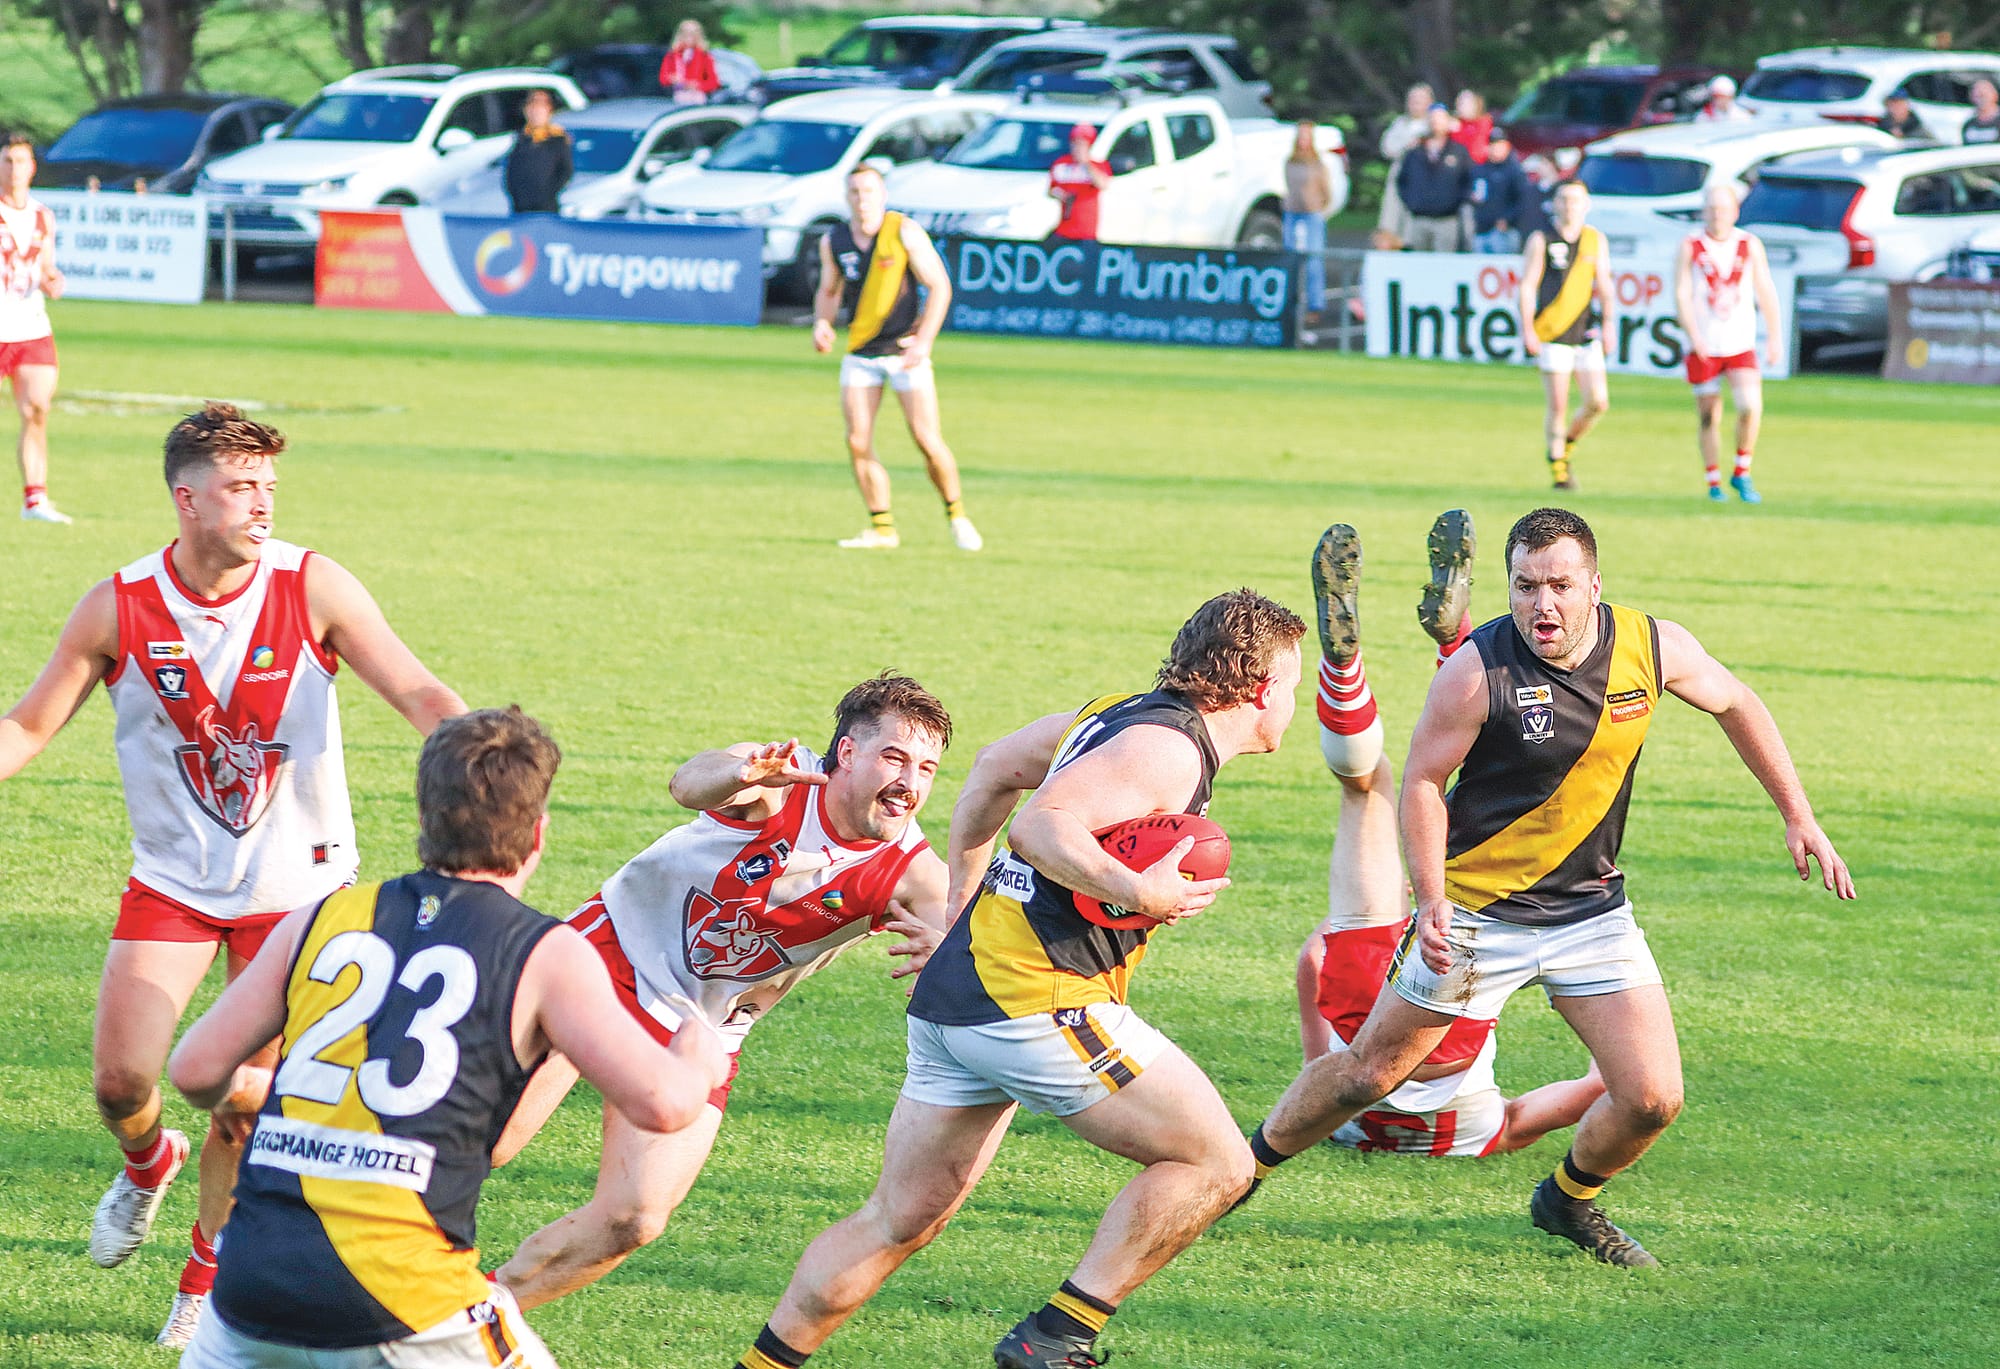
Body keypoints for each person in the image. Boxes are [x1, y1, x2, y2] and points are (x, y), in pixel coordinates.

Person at [1247, 506, 1855, 1267]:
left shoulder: (1651, 646)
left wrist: (1798, 814)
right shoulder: (1477, 670)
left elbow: (1737, 702)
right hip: (1477, 915)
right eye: (1525, 586)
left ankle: (1566, 1200)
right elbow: (1425, 782)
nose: (1543, 605)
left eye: (1560, 586)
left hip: (1591, 915)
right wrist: (1431, 899)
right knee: (1368, 1074)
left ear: (1594, 585)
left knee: (1652, 1099)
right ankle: (1242, 1168)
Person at [734, 590, 1304, 1369]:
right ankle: (1057, 1337)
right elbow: (1039, 823)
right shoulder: (1166, 751)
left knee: (899, 1219)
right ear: (1263, 688)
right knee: (1219, 1164)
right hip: (1035, 999)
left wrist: (957, 907)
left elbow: (994, 769)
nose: (1294, 702)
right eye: (1294, 684)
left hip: (960, 999)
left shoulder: (1111, 715)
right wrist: (1141, 892)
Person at [0, 402, 467, 1347]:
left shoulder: (312, 584)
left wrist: (481, 748)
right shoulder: (118, 605)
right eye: (242, 487)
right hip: (174, 882)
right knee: (120, 1081)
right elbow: (29, 724)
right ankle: (146, 1164)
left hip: (297, 895)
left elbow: (417, 688)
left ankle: (203, 1277)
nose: (263, 504)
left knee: (243, 1106)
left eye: (269, 487)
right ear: (187, 499)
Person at [168, 707, 731, 1369]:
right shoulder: (547, 951)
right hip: (402, 1303)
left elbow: (194, 1070)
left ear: (424, 817)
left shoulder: (321, 917)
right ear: (538, 833)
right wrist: (699, 1056)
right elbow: (663, 1105)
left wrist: (259, 1094)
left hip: (246, 1295)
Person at [490, 676, 956, 1309]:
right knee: (493, 1140)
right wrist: (742, 772)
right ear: (847, 752)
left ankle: (476, 1314)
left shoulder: (912, 873)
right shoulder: (780, 779)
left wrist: (946, 957)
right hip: (605, 959)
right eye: (894, 758)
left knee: (635, 1217)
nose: (909, 783)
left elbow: (970, 955)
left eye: (926, 769)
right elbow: (688, 783)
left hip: (700, 1030)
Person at [1302, 514, 1604, 1159]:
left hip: (1440, 1000)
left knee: (1432, 778)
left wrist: (1598, 1034)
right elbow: (1314, 966)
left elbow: (1592, 1088)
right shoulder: (1346, 1128)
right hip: (1373, 1008)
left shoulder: (1488, 1134)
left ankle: (1442, 651)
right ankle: (1347, 669)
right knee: (1366, 786)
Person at [813, 164, 981, 552]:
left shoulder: (903, 231)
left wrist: (924, 341)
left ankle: (957, 515)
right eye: (855, 192)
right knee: (857, 440)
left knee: (926, 438)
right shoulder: (834, 240)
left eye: (869, 191)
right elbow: (829, 289)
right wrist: (822, 322)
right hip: (861, 353)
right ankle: (882, 527)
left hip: (905, 353)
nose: (862, 199)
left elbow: (939, 286)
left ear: (883, 195)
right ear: (846, 197)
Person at [1674, 183, 1783, 504]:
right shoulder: (1691, 245)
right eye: (1711, 209)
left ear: (1734, 212)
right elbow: (1681, 292)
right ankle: (1713, 481)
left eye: (1722, 209)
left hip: (1739, 342)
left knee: (1750, 406)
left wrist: (1774, 335)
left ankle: (1742, 470)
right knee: (1710, 415)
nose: (1717, 215)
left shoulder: (1748, 244)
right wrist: (1693, 335)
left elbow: (1765, 289)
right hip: (1704, 343)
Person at [1519, 181, 1614, 491]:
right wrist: (1527, 328)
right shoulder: (1542, 239)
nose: (1570, 206)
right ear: (1555, 204)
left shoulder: (1594, 240)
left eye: (1576, 200)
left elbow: (1605, 285)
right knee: (1558, 405)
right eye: (1564, 199)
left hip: (1585, 331)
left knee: (1598, 401)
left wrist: (1609, 324)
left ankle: (1566, 444)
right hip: (1552, 331)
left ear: (1586, 205)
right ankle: (1559, 470)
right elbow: (1528, 285)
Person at [1, 133, 68, 524]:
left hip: (30, 329)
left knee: (37, 410)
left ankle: (35, 500)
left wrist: (51, 279)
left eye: (21, 161)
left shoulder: (43, 216)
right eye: (7, 161)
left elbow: (44, 267)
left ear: (33, 168)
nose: (14, 169)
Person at [1397, 104, 1473, 253]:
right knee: (1418, 259)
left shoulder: (1458, 152)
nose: (1436, 122)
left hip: (1447, 219)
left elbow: (1468, 181)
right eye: (1433, 118)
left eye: (1440, 118)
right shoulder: (1415, 153)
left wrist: (1455, 203)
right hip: (1419, 218)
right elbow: (1402, 181)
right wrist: (1412, 203)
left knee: (1444, 260)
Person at [1284, 120, 1335, 316]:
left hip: (1312, 213)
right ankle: (1290, 302)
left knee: (1314, 260)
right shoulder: (1290, 162)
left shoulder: (1318, 164)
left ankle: (1315, 305)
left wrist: (1318, 205)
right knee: (1290, 258)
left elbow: (1326, 191)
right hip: (1293, 212)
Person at [1376, 83, 1436, 247]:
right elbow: (1388, 148)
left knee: (1413, 227)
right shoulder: (1400, 123)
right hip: (1399, 178)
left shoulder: (1433, 124)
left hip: (1423, 182)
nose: (1415, 103)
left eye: (1420, 99)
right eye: (1412, 99)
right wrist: (1408, 144)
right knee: (1391, 220)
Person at [504, 89, 572, 215]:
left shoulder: (557, 139)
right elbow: (512, 170)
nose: (535, 111)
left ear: (549, 110)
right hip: (521, 208)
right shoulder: (521, 138)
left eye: (540, 106)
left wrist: (548, 194)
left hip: (546, 208)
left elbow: (565, 171)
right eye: (532, 106)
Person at [1469, 128, 1531, 255]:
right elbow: (1469, 191)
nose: (1495, 149)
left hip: (1505, 230)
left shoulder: (1515, 171)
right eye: (1492, 145)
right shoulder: (1479, 170)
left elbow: (1523, 200)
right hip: (1481, 228)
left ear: (1507, 147)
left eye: (1499, 145)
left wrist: (1508, 219)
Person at [1048, 122, 1112, 242]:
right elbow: (1052, 189)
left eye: (1082, 144)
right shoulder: (1061, 164)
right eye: (1075, 143)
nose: (1077, 148)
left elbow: (1103, 184)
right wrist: (1061, 195)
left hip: (1086, 231)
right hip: (1064, 229)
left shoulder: (1098, 165)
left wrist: (1086, 163)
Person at [660, 19, 722, 104]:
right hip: (678, 95)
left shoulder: (705, 56)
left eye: (692, 34)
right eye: (685, 34)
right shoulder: (672, 56)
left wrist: (697, 85)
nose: (689, 37)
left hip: (697, 97)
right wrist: (672, 79)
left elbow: (714, 83)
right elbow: (663, 78)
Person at [1451, 89, 1493, 162]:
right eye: (1458, 104)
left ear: (1476, 105)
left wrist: (1458, 130)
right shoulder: (1455, 123)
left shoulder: (1484, 122)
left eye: (1464, 104)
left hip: (1477, 164)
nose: (1459, 108)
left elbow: (1477, 152)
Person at [1963, 79, 2000, 145]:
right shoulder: (1969, 124)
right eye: (1978, 96)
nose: (1982, 100)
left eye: (1984, 95)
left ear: (1995, 95)